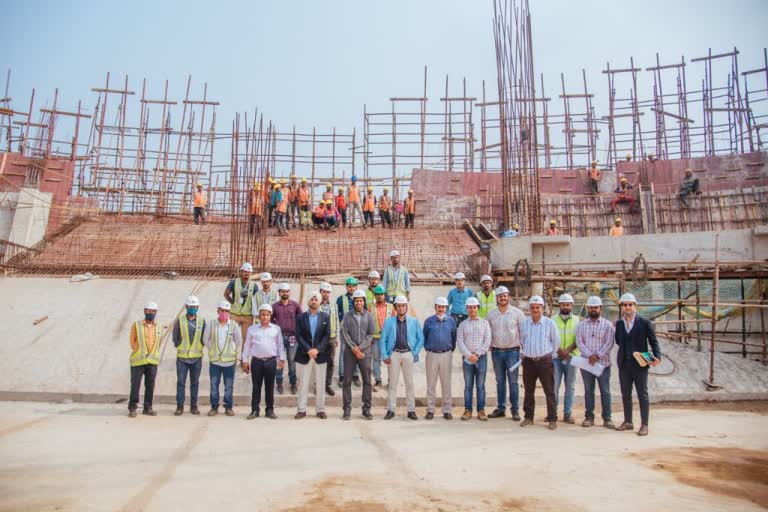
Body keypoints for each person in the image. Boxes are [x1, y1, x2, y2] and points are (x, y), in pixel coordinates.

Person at [615, 293, 661, 436]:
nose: (627, 307)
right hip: (624, 364)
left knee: (642, 394)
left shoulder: (645, 323)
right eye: (625, 305)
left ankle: (644, 425)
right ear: (622, 307)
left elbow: (653, 342)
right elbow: (618, 341)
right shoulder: (619, 324)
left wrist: (656, 357)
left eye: (630, 304)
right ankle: (628, 421)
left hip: (640, 364)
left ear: (635, 306)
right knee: (626, 394)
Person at [519, 295, 560, 430]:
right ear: (529, 309)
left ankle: (552, 418)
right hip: (529, 362)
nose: (535, 310)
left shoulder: (549, 323)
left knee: (549, 391)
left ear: (543, 308)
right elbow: (522, 341)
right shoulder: (525, 324)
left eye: (538, 307)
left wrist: (550, 356)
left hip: (544, 362)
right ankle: (528, 417)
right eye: (533, 308)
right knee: (528, 391)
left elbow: (556, 342)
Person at [380, 296, 424, 420]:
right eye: (398, 305)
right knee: (392, 384)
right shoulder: (388, 322)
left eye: (403, 305)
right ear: (395, 307)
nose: (401, 308)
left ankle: (411, 410)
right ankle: (391, 409)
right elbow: (383, 340)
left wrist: (414, 352)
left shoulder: (414, 322)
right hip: (394, 354)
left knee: (409, 383)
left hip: (408, 354)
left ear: (406, 307)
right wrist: (385, 355)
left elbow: (421, 338)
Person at [486, 286, 525, 421]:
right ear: (496, 298)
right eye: (500, 296)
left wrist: (524, 351)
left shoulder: (517, 313)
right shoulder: (491, 315)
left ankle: (515, 410)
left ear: (509, 296)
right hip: (496, 353)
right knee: (500, 381)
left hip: (513, 352)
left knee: (513, 382)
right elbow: (488, 333)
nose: (503, 298)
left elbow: (524, 333)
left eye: (505, 295)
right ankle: (501, 408)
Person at [575, 296, 615, 428]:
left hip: (603, 365)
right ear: (587, 308)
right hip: (587, 364)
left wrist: (597, 356)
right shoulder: (582, 325)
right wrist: (589, 355)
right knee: (588, 391)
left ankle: (607, 418)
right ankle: (589, 417)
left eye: (596, 307)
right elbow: (579, 342)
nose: (593, 309)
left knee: (605, 391)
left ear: (600, 308)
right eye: (591, 307)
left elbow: (609, 343)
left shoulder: (608, 325)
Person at [243, 304, 286, 420]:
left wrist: (281, 358)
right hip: (256, 361)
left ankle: (270, 410)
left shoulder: (276, 329)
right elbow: (247, 345)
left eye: (267, 315)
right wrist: (245, 360)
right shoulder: (252, 329)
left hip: (271, 361)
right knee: (256, 387)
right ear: (259, 316)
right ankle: (254, 410)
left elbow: (280, 345)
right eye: (263, 314)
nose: (265, 317)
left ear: (270, 316)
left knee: (270, 386)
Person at [339, 290, 376, 420]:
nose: (359, 302)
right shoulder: (347, 316)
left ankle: (366, 409)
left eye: (361, 300)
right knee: (347, 381)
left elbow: (371, 334)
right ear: (353, 302)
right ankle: (347, 409)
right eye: (356, 300)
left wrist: (360, 348)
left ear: (364, 302)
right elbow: (344, 333)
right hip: (349, 353)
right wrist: (354, 348)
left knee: (367, 381)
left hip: (364, 353)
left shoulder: (369, 316)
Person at [294, 291, 331, 419]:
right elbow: (298, 335)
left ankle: (320, 409)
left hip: (320, 355)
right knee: (303, 383)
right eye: (312, 299)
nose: (314, 301)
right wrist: (309, 350)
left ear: (320, 302)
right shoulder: (300, 317)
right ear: (308, 301)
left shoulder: (325, 317)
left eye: (316, 299)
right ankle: (301, 409)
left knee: (320, 383)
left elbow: (327, 336)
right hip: (305, 354)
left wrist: (317, 350)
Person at [203, 300, 242, 417]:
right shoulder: (211, 324)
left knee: (228, 386)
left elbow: (238, 341)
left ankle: (228, 407)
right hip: (215, 361)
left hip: (229, 362)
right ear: (218, 311)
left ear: (229, 312)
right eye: (222, 310)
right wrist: (213, 349)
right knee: (214, 385)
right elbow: (206, 339)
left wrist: (232, 350)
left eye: (226, 311)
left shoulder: (234, 325)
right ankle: (214, 407)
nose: (224, 313)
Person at [456, 297, 491, 421]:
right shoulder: (462, 325)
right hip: (467, 359)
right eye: (470, 307)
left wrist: (477, 354)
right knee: (468, 385)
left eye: (474, 307)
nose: (472, 310)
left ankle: (481, 410)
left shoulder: (484, 323)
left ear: (478, 308)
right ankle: (468, 410)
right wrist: (468, 355)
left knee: (480, 386)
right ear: (466, 309)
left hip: (481, 358)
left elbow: (487, 340)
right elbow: (460, 341)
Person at [422, 297, 457, 420]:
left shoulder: (451, 321)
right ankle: (430, 410)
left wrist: (449, 349)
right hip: (431, 354)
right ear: (435, 307)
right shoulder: (428, 321)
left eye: (443, 307)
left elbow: (454, 337)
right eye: (439, 306)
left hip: (446, 354)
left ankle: (447, 410)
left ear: (446, 308)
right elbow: (424, 336)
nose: (441, 309)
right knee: (431, 383)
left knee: (446, 383)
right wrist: (429, 348)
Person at [172, 295, 205, 416]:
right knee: (181, 382)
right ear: (186, 307)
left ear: (198, 307)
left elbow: (204, 337)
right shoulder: (180, 321)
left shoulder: (202, 321)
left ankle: (193, 406)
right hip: (182, 358)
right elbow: (175, 337)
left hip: (197, 358)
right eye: (191, 307)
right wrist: (179, 345)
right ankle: (180, 406)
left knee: (194, 382)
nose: (193, 309)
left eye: (195, 307)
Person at [128, 302, 161, 417]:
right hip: (138, 360)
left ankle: (148, 407)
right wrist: (138, 350)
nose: (151, 313)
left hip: (152, 361)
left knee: (150, 385)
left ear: (156, 312)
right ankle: (132, 407)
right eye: (148, 311)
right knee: (135, 385)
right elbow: (132, 341)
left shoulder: (158, 326)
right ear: (144, 311)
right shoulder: (136, 325)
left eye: (153, 311)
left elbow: (158, 342)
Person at [552, 293, 580, 424]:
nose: (565, 306)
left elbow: (579, 339)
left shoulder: (577, 320)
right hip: (556, 358)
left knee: (570, 387)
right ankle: (553, 413)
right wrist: (559, 351)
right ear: (559, 305)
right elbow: (549, 337)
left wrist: (567, 351)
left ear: (571, 305)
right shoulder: (552, 320)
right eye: (563, 304)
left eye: (568, 304)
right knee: (554, 386)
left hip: (571, 357)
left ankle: (567, 413)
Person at [272, 283, 302, 395]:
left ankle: (293, 383)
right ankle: (279, 382)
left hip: (292, 337)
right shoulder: (274, 307)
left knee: (292, 360)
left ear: (289, 292)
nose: (285, 293)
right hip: (279, 337)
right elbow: (270, 321)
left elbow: (301, 320)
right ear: (279, 293)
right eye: (282, 291)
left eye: (287, 291)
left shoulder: (295, 306)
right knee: (279, 360)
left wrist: (298, 334)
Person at [224, 262, 257, 346]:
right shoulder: (233, 282)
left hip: (248, 315)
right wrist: (232, 303)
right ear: (241, 272)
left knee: (246, 338)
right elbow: (226, 294)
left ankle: (243, 358)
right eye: (245, 271)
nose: (247, 273)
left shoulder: (254, 285)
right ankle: (231, 357)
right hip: (235, 314)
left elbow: (256, 299)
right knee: (231, 336)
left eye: (249, 272)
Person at [336, 277, 361, 387]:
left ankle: (355, 375)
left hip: (357, 330)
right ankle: (342, 375)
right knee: (343, 351)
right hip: (344, 330)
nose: (352, 288)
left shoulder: (360, 299)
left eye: (353, 286)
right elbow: (337, 315)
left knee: (356, 350)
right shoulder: (340, 299)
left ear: (356, 287)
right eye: (350, 286)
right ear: (346, 287)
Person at [368, 285, 394, 392]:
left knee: (390, 361)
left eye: (381, 294)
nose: (380, 296)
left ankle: (391, 381)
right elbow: (368, 324)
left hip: (388, 339)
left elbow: (394, 324)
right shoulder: (370, 307)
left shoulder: (391, 307)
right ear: (375, 295)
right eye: (377, 294)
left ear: (384, 295)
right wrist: (369, 338)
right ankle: (378, 381)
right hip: (375, 338)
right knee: (376, 360)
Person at [318, 282, 339, 397]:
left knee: (330, 362)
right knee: (319, 362)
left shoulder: (333, 305)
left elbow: (336, 320)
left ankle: (327, 384)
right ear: (320, 292)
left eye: (327, 292)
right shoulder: (316, 304)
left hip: (331, 337)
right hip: (320, 338)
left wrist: (336, 337)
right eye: (323, 292)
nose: (325, 294)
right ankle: (318, 384)